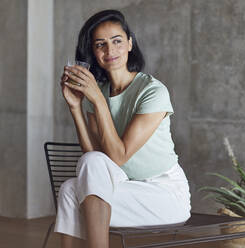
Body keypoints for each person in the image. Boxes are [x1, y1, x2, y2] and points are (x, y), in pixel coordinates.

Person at [56, 9, 191, 248]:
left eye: (117, 41)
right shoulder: (97, 92)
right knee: (70, 188)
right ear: (93, 52)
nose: (110, 51)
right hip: (126, 187)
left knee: (80, 183)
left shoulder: (153, 91)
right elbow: (95, 154)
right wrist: (76, 107)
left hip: (164, 193)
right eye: (101, 44)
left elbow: (118, 156)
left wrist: (97, 99)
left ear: (130, 43)